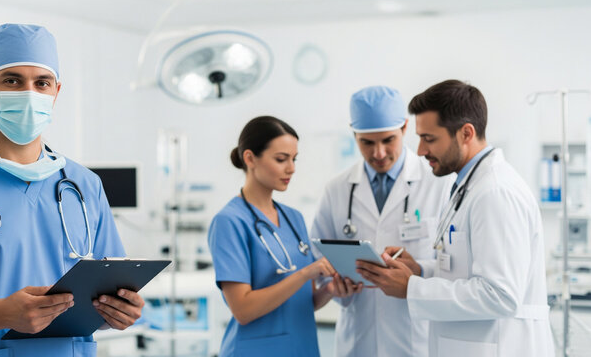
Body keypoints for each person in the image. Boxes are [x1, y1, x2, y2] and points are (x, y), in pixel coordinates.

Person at [0, 24, 144, 356]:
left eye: (41, 82)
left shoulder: (85, 185)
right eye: (12, 81)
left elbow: (104, 293)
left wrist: (118, 312)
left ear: (56, 91)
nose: (29, 93)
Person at [357, 80, 554, 357]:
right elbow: (467, 270)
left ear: (466, 133)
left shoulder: (495, 192)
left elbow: (500, 295)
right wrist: (420, 271)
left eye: (429, 138)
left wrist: (412, 289)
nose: (421, 150)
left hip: (501, 346)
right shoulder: (468, 186)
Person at [310, 86, 454, 356]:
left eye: (388, 140)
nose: (378, 153)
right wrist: (333, 284)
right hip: (357, 337)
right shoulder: (337, 189)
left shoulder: (439, 183)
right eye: (367, 142)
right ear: (354, 136)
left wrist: (418, 272)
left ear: (404, 128)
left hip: (416, 338)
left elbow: (456, 265)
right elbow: (317, 261)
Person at [208, 116, 355, 356]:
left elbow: (302, 301)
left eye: (294, 159)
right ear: (250, 158)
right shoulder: (230, 221)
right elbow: (243, 310)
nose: (291, 168)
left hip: (302, 346)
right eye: (281, 159)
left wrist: (330, 290)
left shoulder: (293, 218)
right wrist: (307, 272)